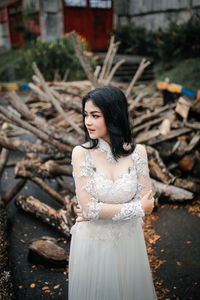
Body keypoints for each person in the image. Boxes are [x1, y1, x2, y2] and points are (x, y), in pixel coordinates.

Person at [68, 86, 157, 300]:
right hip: (94, 244)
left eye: (95, 115)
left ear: (113, 115)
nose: (87, 122)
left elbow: (148, 203)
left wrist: (100, 211)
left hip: (129, 243)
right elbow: (90, 208)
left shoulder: (138, 153)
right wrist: (136, 208)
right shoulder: (81, 153)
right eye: (86, 115)